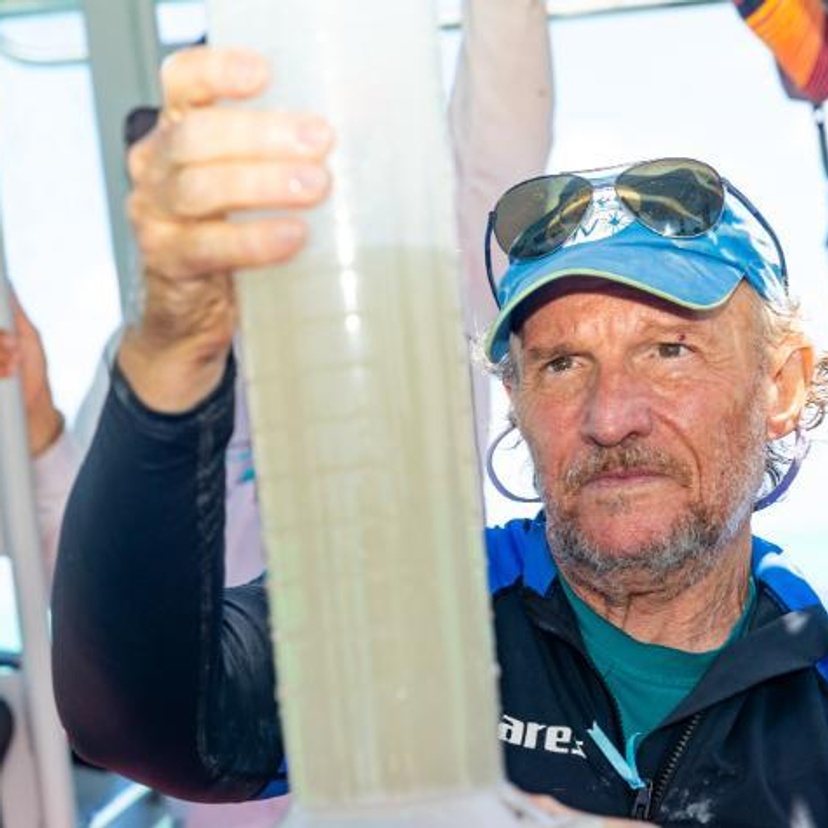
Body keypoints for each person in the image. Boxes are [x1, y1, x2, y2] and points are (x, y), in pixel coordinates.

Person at [50, 45, 828, 826]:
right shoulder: (426, 612)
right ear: (515, 402)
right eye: (562, 363)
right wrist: (173, 349)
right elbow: (141, 719)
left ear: (783, 385)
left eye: (668, 351)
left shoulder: (815, 677)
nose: (610, 415)